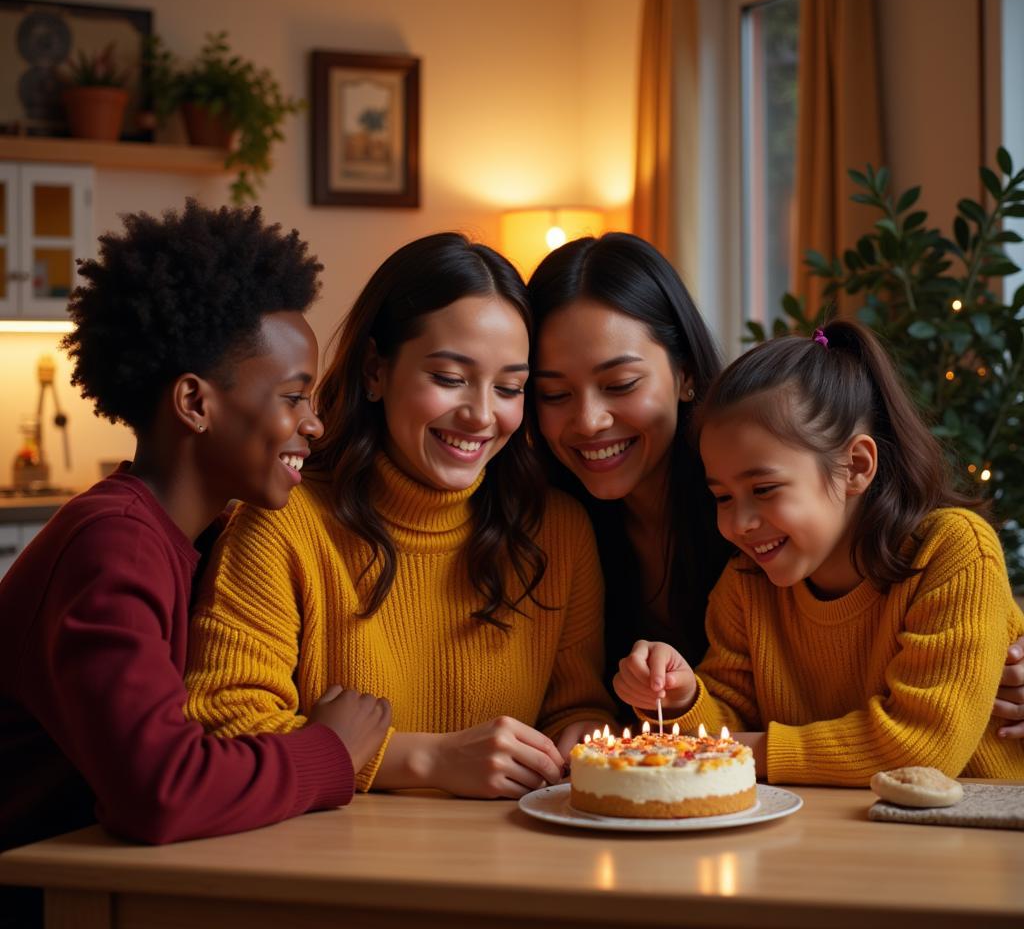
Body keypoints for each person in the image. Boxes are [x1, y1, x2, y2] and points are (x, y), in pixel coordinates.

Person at [0, 201, 392, 929]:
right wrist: (327, 753)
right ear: (194, 403)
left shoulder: (190, 536)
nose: (315, 422)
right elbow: (161, 789)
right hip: (33, 915)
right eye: (292, 396)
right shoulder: (113, 546)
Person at [527, 231, 1024, 731]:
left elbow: (913, 712)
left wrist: (976, 665)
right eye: (552, 394)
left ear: (686, 375)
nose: (589, 421)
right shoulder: (553, 532)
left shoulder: (773, 505)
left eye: (620, 385)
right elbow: (721, 711)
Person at [184, 233, 616, 799]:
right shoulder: (284, 522)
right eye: (449, 378)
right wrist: (427, 761)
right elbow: (222, 720)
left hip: (513, 862)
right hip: (335, 867)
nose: (481, 415)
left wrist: (575, 737)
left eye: (510, 387)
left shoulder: (557, 530)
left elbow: (575, 705)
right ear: (374, 370)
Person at [613, 320, 1024, 784]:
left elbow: (919, 746)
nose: (738, 523)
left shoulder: (954, 552)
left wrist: (737, 750)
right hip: (831, 836)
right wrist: (685, 698)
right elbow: (728, 721)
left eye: (764, 488)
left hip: (974, 837)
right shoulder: (747, 584)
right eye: (723, 497)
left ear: (856, 467)